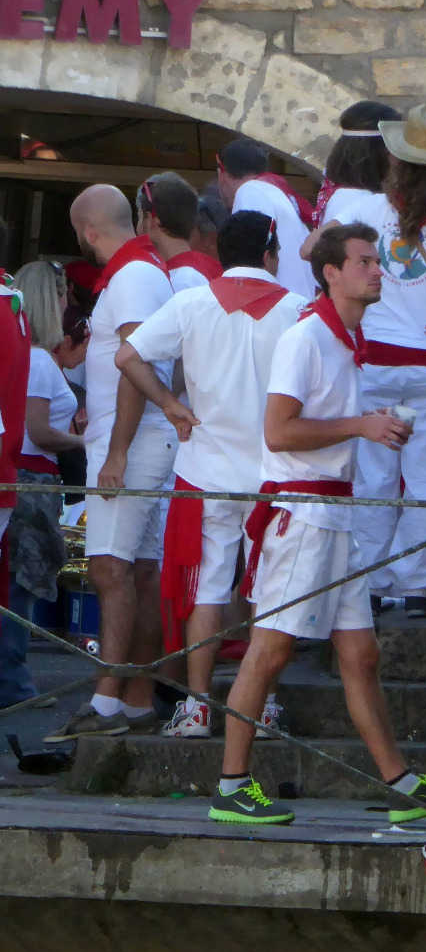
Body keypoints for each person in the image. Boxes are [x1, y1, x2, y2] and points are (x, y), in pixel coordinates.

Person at [206, 221, 426, 835]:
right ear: (331, 272)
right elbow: (278, 431)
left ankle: (399, 781)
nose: (377, 270)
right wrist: (360, 427)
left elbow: (314, 424)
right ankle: (230, 784)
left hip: (333, 512)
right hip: (302, 512)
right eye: (364, 261)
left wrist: (364, 423)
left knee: (360, 652)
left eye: (376, 261)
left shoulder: (343, 338)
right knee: (271, 648)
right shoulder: (308, 337)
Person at [110, 211, 302, 737]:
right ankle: (260, 706)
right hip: (273, 472)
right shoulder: (298, 310)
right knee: (268, 591)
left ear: (221, 253)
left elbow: (127, 355)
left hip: (206, 468)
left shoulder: (191, 303)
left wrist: (171, 404)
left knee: (208, 590)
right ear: (271, 253)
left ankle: (197, 706)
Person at [320, 105, 426, 615]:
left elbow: (310, 252)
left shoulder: (363, 207)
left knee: (373, 477)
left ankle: (371, 578)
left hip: (376, 362)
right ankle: (420, 582)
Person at [70, 183, 173, 726]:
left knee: (111, 566)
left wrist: (116, 451)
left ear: (89, 232)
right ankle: (135, 697)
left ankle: (106, 700)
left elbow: (138, 363)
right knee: (139, 571)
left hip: (131, 442)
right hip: (142, 439)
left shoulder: (132, 276)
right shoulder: (144, 271)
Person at [0, 259, 77, 712]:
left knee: (16, 583)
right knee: (22, 586)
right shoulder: (40, 360)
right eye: (64, 292)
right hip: (32, 479)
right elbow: (38, 429)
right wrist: (87, 439)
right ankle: (14, 683)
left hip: (24, 477)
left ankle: (13, 680)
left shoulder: (31, 355)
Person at [218, 135, 315, 299]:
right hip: (293, 302)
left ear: (222, 174)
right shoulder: (271, 190)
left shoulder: (250, 191)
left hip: (278, 305)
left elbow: (252, 265)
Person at [136, 173, 211, 292]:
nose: (138, 227)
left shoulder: (180, 280)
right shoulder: (211, 268)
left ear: (151, 221)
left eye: (139, 217)